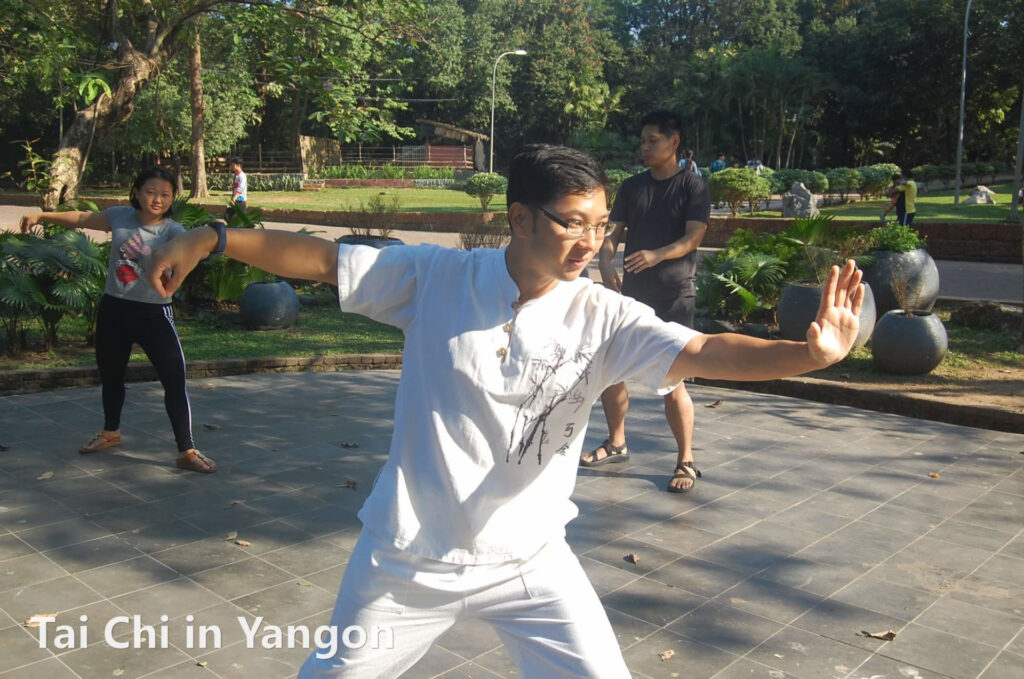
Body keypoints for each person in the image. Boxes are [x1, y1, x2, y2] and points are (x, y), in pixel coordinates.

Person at [145, 144, 864, 678]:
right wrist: (210, 235)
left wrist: (804, 354)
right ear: (520, 218)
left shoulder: (605, 316)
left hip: (531, 560)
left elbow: (707, 347)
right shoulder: (436, 277)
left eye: (602, 225)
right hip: (407, 559)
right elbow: (320, 258)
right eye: (573, 222)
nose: (591, 241)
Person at [19, 167, 215, 473]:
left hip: (154, 314)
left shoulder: (175, 232)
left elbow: (199, 249)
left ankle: (186, 450)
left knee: (174, 381)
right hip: (114, 310)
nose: (157, 199)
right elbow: (82, 219)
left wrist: (208, 242)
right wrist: (43, 216)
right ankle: (110, 433)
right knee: (111, 377)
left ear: (173, 199)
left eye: (165, 195)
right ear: (136, 192)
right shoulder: (120, 216)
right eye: (151, 192)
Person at [580, 111, 707, 493]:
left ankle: (686, 460)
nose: (645, 147)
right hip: (632, 296)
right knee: (611, 370)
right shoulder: (633, 187)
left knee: (673, 381)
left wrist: (657, 255)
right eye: (643, 141)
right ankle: (616, 441)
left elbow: (694, 238)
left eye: (653, 140)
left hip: (674, 295)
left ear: (674, 142)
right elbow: (613, 232)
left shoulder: (692, 186)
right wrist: (605, 259)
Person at [226, 156, 247, 220]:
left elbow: (240, 188)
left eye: (233, 165)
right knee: (227, 216)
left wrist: (234, 198)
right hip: (234, 200)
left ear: (238, 165)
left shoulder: (242, 176)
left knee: (241, 219)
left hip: (240, 200)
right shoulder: (236, 175)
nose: (231, 167)